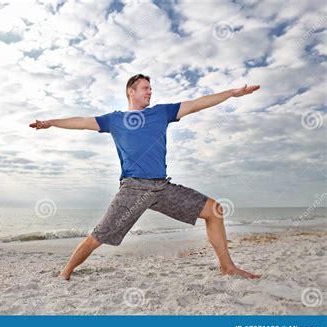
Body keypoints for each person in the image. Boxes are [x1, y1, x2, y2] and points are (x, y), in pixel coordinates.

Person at [29, 74, 261, 280]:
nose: (150, 91)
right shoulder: (115, 120)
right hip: (133, 189)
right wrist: (51, 123)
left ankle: (228, 267)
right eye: (145, 88)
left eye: (151, 88)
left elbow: (197, 105)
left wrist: (231, 93)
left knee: (214, 210)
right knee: (98, 237)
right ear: (131, 91)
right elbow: (80, 122)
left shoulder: (161, 112)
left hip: (162, 188)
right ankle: (66, 271)